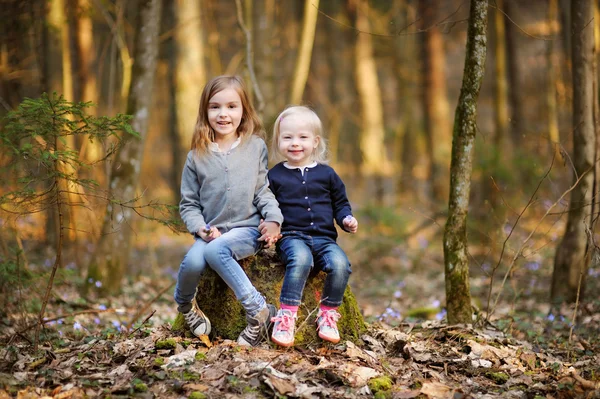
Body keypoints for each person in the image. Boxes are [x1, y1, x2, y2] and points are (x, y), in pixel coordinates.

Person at [174, 75, 283, 347]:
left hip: (246, 230)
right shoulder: (196, 154)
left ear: (243, 110)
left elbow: (262, 190)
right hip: (210, 232)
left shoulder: (254, 146)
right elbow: (188, 203)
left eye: (232, 106)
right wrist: (199, 227)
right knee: (193, 262)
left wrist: (273, 220)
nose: (223, 114)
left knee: (214, 252)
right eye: (215, 107)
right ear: (205, 111)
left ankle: (257, 309)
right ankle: (186, 305)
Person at [261, 105, 358, 347]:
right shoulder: (274, 176)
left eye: (302, 137)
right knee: (302, 260)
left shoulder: (327, 175)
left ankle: (328, 313)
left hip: (325, 239)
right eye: (288, 137)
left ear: (315, 142)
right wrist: (266, 226)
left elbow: (340, 204)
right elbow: (265, 205)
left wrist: (346, 219)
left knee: (340, 265)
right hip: (291, 237)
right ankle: (287, 315)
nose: (295, 143)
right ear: (278, 142)